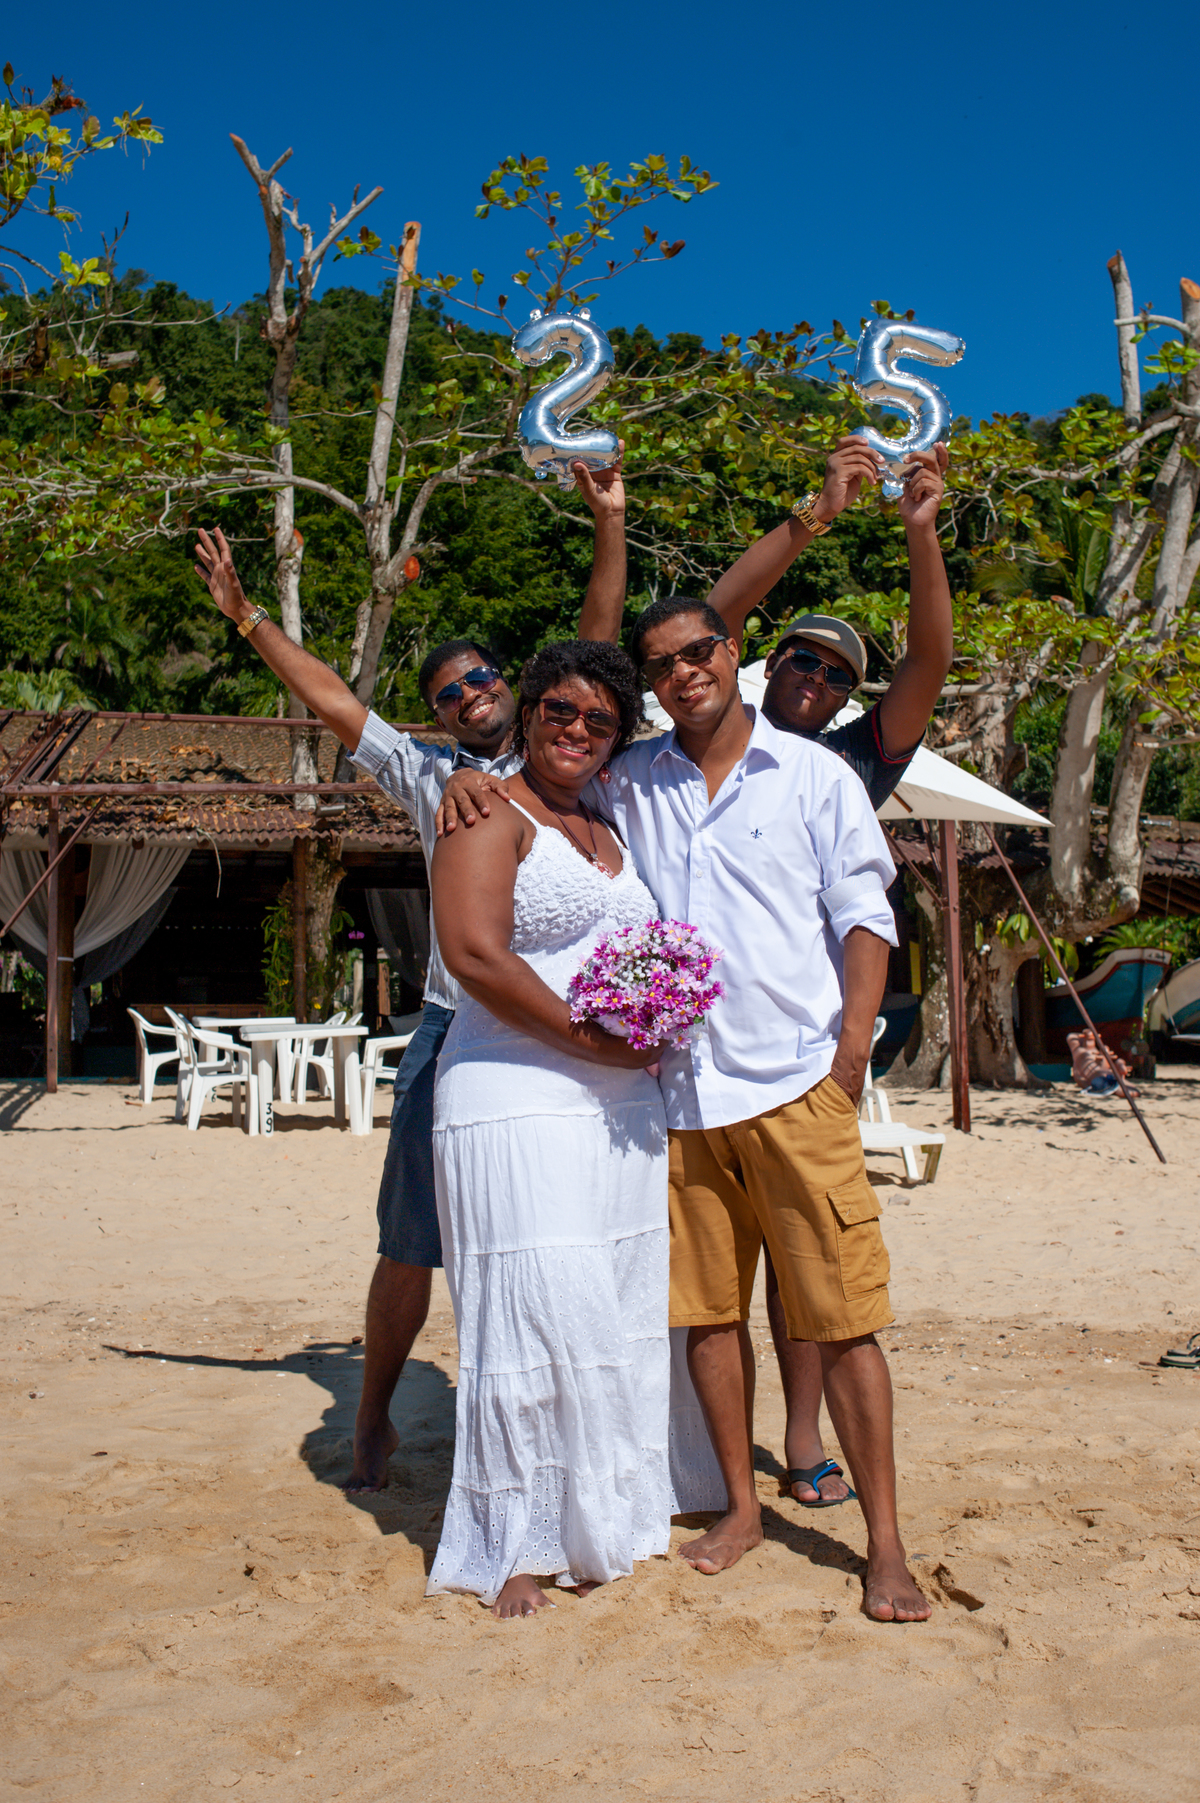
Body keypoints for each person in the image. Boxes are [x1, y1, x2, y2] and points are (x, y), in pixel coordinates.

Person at [443, 597, 931, 1622]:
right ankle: (742, 1510)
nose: (682, 672)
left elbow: (864, 912)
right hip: (680, 1097)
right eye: (661, 663)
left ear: (734, 652)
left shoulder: (817, 776)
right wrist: (465, 777)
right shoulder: (635, 779)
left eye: (699, 650)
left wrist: (852, 1049)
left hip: (798, 1086)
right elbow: (545, 759)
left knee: (841, 1322)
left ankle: (886, 1543)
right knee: (706, 1320)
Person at [191, 455, 627, 1494]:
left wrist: (610, 522)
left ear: (515, 690)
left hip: (579, 1038)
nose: (470, 696)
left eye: (482, 679)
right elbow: (334, 698)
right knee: (413, 1242)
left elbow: (599, 640)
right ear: (435, 717)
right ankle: (376, 1414)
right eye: (448, 694)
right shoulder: (434, 778)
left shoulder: (575, 760)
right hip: (455, 1030)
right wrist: (248, 615)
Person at [702, 437, 953, 1509]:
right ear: (774, 669)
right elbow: (712, 619)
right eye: (801, 659)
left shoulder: (856, 760)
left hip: (811, 1049)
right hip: (704, 1055)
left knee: (811, 1283)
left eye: (838, 672)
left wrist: (919, 530)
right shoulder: (724, 734)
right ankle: (713, 1461)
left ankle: (804, 1442)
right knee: (711, 1286)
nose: (815, 677)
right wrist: (814, 513)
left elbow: (930, 664)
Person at [428, 641, 670, 1618]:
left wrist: (649, 1023)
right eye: (558, 712)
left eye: (599, 720)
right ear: (526, 714)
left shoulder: (610, 819)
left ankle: (598, 1514)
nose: (576, 730)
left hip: (618, 1106)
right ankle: (515, 1544)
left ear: (618, 738)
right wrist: (590, 1040)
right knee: (531, 1310)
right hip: (512, 1090)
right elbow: (476, 956)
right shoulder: (488, 809)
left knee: (611, 1308)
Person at [1067, 1029, 1135, 1097]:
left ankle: (1118, 1079)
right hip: (1097, 1075)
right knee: (1104, 1077)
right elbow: (1071, 1037)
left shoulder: (1094, 1051)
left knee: (1114, 1073)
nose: (1090, 1042)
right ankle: (1117, 1084)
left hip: (1105, 1073)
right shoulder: (1081, 1052)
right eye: (1089, 1039)